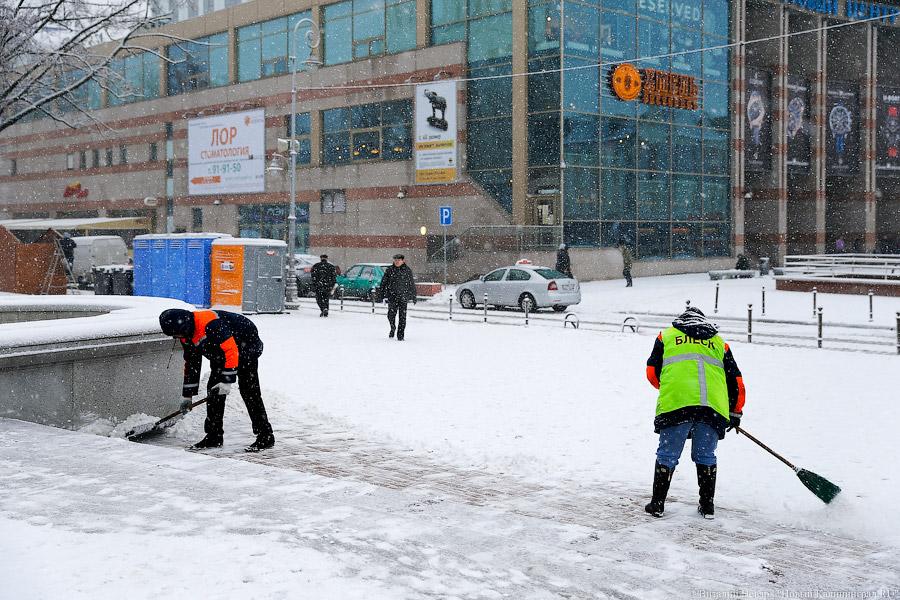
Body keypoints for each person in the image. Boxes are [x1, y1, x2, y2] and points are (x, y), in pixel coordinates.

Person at [644, 306, 746, 519]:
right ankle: (707, 506)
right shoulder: (719, 343)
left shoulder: (667, 336)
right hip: (711, 409)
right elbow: (735, 381)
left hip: (676, 405)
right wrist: (735, 412)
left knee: (667, 454)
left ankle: (658, 504)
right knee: (705, 455)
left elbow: (652, 373)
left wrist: (671, 386)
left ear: (681, 320)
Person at [159, 308, 275, 452]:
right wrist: (187, 395)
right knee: (213, 391)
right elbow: (192, 363)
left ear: (184, 326)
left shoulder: (211, 324)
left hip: (245, 344)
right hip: (219, 352)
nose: (175, 338)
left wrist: (227, 381)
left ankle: (266, 435)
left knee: (249, 391)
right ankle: (214, 436)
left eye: (176, 334)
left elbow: (231, 351)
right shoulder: (185, 334)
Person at [378, 253, 417, 341]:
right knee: (390, 315)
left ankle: (400, 336)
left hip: (403, 297)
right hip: (392, 296)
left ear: (403, 261)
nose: (397, 262)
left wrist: (414, 295)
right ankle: (393, 327)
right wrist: (382, 294)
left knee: (402, 317)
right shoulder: (389, 270)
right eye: (395, 260)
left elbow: (411, 284)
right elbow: (383, 283)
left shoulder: (407, 270)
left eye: (399, 260)